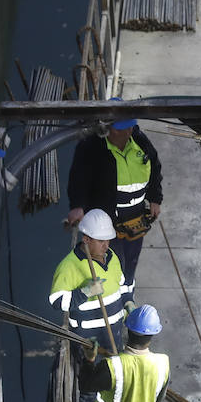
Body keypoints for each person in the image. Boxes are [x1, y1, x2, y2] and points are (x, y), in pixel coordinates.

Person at [65, 103, 164, 298]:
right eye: (122, 128)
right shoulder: (92, 147)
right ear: (107, 128)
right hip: (106, 220)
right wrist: (78, 206)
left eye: (130, 127)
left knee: (131, 261)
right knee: (110, 262)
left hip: (135, 218)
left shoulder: (139, 141)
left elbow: (155, 169)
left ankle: (127, 298)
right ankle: (108, 299)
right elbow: (79, 178)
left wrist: (155, 199)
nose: (128, 132)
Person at [49, 208, 129, 344]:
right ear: (86, 239)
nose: (106, 246)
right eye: (101, 241)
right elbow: (56, 301)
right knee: (88, 364)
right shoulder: (69, 266)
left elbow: (121, 284)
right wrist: (85, 292)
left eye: (107, 240)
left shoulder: (111, 256)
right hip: (87, 338)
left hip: (114, 332)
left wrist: (128, 300)